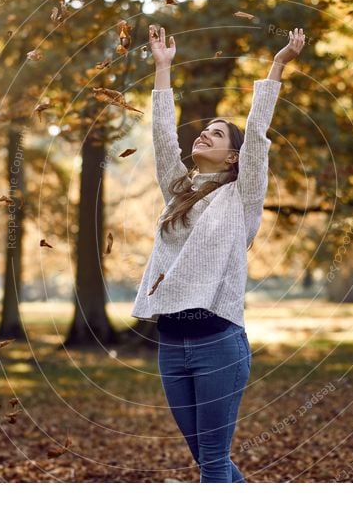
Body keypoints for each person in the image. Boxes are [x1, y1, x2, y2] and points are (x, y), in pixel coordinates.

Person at [131, 24, 306, 482]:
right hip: (171, 345)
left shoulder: (242, 198)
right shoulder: (178, 192)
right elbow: (162, 135)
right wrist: (163, 68)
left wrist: (277, 65)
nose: (205, 134)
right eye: (205, 130)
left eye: (217, 133)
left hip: (218, 346)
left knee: (211, 462)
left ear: (234, 158)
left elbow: (257, 132)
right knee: (210, 460)